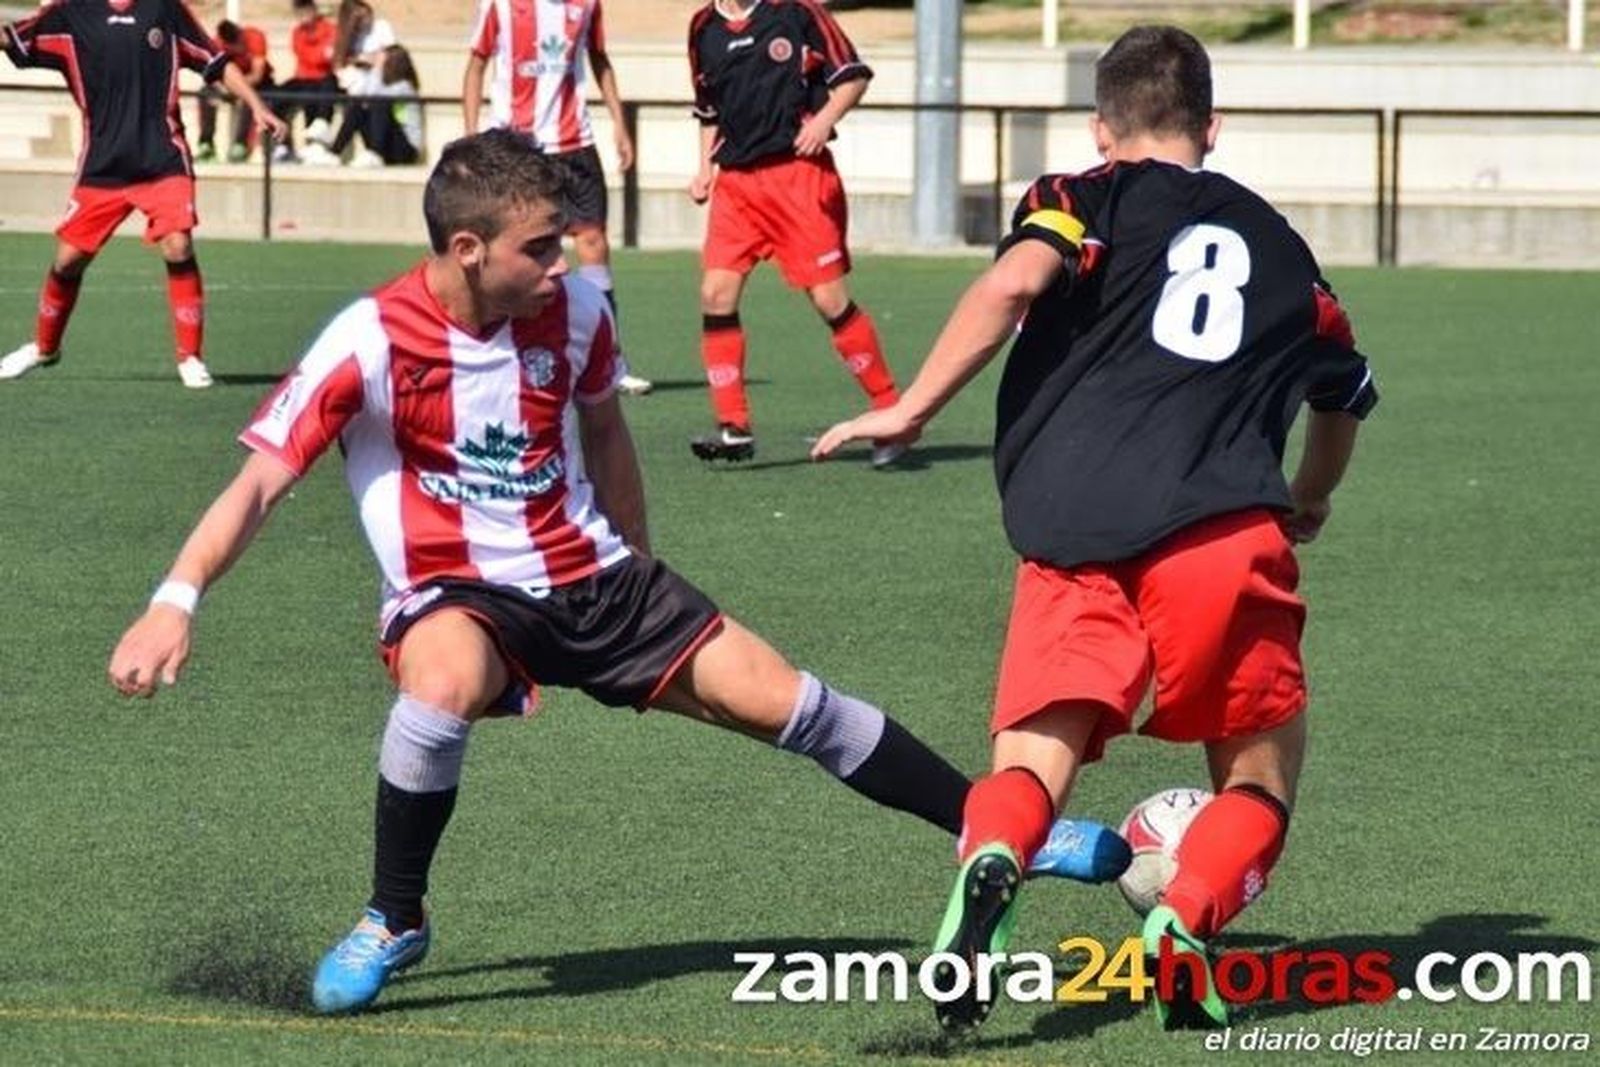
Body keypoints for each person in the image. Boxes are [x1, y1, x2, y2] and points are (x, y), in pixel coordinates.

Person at [104, 129, 1117, 1016]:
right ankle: (395, 915)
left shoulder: (580, 311)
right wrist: (173, 601)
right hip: (457, 592)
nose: (563, 264)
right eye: (539, 247)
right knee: (439, 685)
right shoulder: (368, 340)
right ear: (468, 249)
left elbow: (606, 433)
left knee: (794, 703)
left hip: (596, 578)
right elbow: (259, 482)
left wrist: (639, 557)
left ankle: (1004, 826)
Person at [813, 25, 1380, 1033]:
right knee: (1258, 770)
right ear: (1212, 126)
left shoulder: (1076, 198)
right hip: (1220, 527)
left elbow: (1013, 283)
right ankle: (1186, 916)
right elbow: (1346, 389)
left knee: (1030, 760)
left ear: (1100, 129)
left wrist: (909, 409)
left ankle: (995, 855)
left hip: (1070, 523)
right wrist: (1312, 493)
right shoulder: (1284, 251)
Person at [0, 0, 288, 388]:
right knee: (68, 261)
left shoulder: (166, 10)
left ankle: (190, 357)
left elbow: (217, 63)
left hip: (162, 159)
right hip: (103, 165)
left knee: (178, 245)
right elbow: (12, 40)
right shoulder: (70, 14)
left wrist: (257, 107)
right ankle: (44, 347)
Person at [686, 0, 901, 466]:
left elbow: (854, 76)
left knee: (828, 300)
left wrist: (824, 120)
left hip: (797, 177)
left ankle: (893, 413)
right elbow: (708, 110)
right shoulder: (703, 26)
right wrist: (704, 169)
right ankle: (734, 425)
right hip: (736, 186)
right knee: (715, 294)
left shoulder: (798, 12)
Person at [463, 0, 653, 396]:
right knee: (513, 249)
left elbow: (600, 59)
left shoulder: (587, 4)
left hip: (575, 144)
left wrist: (619, 124)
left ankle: (609, 361)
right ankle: (495, 350)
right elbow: (476, 64)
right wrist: (470, 136)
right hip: (517, 147)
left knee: (593, 242)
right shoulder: (499, 5)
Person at [196, 19, 274, 163]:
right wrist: (224, 87)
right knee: (205, 93)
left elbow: (257, 75)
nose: (238, 49)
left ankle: (240, 145)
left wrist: (238, 88)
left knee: (248, 97)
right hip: (228, 84)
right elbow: (211, 75)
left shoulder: (255, 37)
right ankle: (206, 143)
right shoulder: (217, 44)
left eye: (239, 44)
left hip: (259, 83)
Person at [273, 0, 340, 163]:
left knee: (314, 95)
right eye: (299, 13)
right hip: (303, 77)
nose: (303, 16)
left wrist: (319, 56)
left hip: (324, 78)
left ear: (314, 11)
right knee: (275, 98)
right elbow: (306, 54)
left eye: (306, 12)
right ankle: (283, 146)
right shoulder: (297, 32)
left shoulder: (330, 29)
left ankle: (315, 144)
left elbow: (327, 59)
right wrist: (319, 54)